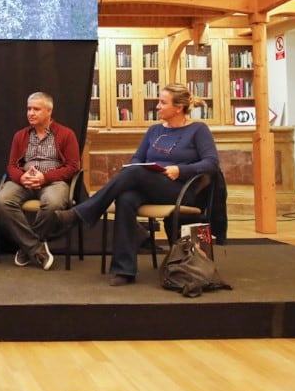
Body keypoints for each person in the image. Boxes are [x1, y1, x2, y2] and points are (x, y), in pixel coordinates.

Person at [51, 83, 220, 286]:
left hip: (180, 189)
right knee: (126, 197)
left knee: (134, 172)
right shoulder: (154, 131)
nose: (157, 106)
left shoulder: (197, 130)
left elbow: (211, 163)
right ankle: (125, 269)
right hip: (151, 185)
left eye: (162, 102)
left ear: (178, 108)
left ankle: (81, 213)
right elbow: (137, 159)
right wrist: (140, 169)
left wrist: (180, 170)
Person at [0, 91, 82, 271]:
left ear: (49, 111)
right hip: (24, 181)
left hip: (53, 181)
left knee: (53, 203)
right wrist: (21, 177)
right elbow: (11, 166)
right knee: (2, 200)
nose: (31, 113)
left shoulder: (66, 134)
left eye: (36, 109)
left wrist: (45, 177)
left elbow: (73, 166)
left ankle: (28, 247)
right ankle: (36, 248)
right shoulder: (21, 135)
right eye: (28, 109)